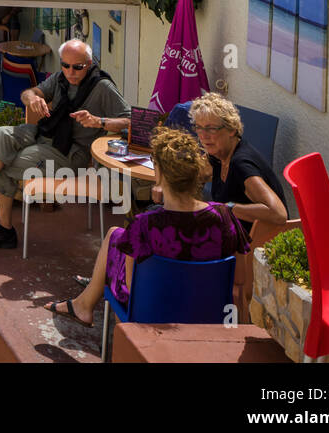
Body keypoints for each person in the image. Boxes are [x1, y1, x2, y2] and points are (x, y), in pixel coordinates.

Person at [43, 128, 250, 328]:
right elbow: (239, 279)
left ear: (158, 173)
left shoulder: (145, 225)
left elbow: (133, 288)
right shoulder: (225, 217)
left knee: (116, 237)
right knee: (116, 236)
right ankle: (83, 304)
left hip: (153, 312)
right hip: (209, 313)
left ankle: (85, 306)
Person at [0, 39, 129, 250]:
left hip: (71, 152)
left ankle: (4, 230)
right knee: (2, 134)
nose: (70, 72)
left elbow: (129, 121)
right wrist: (32, 99)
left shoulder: (102, 87)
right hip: (47, 133)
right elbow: (28, 93)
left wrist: (99, 121)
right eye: (65, 65)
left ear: (90, 64)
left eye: (77, 67)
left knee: (3, 162)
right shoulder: (60, 79)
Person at [189, 92, 287, 233]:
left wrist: (227, 208)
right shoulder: (217, 156)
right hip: (232, 236)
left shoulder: (241, 165)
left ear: (232, 130)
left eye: (211, 128)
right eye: (199, 127)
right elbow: (194, 176)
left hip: (255, 246)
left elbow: (278, 214)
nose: (203, 135)